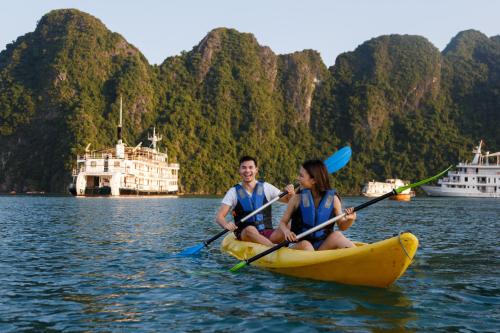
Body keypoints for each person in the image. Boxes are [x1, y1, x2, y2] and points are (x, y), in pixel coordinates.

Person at [275, 159, 356, 251]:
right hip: (300, 245)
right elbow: (283, 223)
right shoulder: (296, 199)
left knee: (337, 235)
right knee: (306, 245)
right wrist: (286, 232)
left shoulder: (333, 199)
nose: (298, 178)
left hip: (322, 246)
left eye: (301, 176)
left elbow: (342, 226)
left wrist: (350, 220)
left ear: (313, 180)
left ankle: (358, 256)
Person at [215, 156, 295, 246]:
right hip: (246, 234)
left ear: (256, 170)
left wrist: (291, 193)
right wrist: (225, 224)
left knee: (292, 224)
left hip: (268, 233)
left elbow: (287, 200)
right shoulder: (233, 192)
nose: (247, 171)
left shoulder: (266, 187)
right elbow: (219, 217)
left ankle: (298, 248)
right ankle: (272, 248)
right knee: (250, 229)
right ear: (239, 170)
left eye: (250, 167)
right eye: (244, 167)